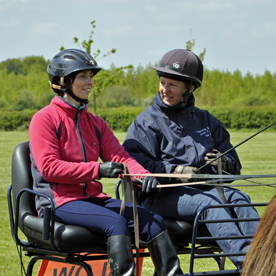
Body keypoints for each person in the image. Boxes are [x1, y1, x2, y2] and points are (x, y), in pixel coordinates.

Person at [29, 49, 183, 276]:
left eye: (91, 76)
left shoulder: (96, 123)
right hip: (59, 203)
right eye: (83, 76)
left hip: (93, 199)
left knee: (153, 220)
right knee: (116, 223)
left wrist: (144, 177)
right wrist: (97, 169)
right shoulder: (44, 119)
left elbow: (120, 157)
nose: (90, 82)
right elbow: (50, 168)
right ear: (62, 82)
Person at [123, 48, 260, 270]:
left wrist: (224, 163)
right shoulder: (146, 122)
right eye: (163, 82)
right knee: (210, 204)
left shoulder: (206, 120)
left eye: (173, 85)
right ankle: (249, 264)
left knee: (240, 198)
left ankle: (265, 257)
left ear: (191, 88)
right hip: (159, 197)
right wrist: (176, 171)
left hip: (203, 190)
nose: (165, 90)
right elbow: (138, 165)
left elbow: (233, 164)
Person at [241, 195, 276, 276]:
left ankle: (253, 252)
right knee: (213, 203)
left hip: (221, 188)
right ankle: (245, 258)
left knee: (240, 197)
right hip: (206, 192)